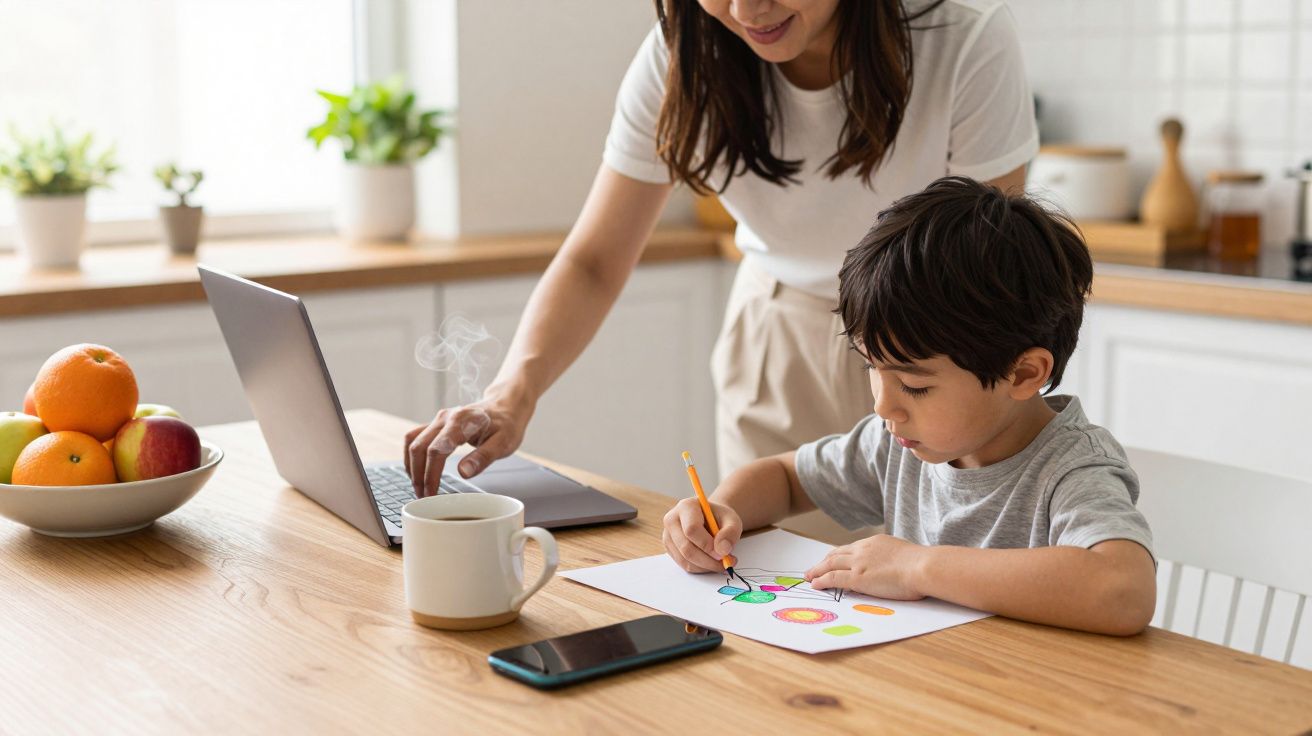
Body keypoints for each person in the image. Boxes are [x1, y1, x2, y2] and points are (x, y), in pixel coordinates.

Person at [405, 0, 1039, 500]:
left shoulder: (965, 38)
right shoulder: (683, 54)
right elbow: (595, 260)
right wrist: (509, 394)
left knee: (942, 607)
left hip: (936, 355)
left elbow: (984, 270)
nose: (747, 11)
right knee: (781, 600)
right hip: (777, 342)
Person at [661, 177, 1158, 636]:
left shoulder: (1073, 468)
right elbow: (786, 479)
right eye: (872, 368)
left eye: (915, 386)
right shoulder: (897, 444)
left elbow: (1121, 590)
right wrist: (722, 511)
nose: (884, 405)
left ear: (1024, 374)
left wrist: (917, 567)